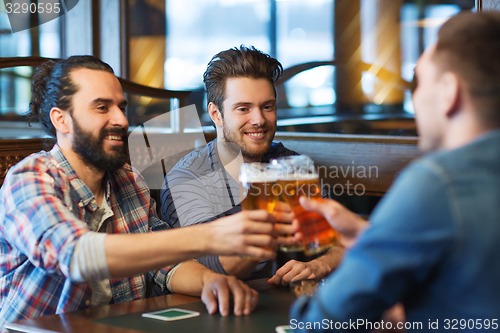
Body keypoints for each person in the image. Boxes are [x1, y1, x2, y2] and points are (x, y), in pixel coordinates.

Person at [0, 56, 293, 330]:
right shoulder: (30, 179)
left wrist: (210, 281)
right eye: (102, 108)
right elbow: (76, 255)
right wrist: (214, 234)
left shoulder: (128, 179)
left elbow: (165, 266)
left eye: (121, 107)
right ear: (60, 119)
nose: (121, 120)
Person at [289, 11, 500, 332]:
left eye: (420, 82)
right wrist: (371, 236)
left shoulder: (437, 182)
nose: (414, 99)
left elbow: (320, 323)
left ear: (448, 91)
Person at [160, 45, 343, 282]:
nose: (259, 120)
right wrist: (272, 218)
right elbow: (217, 265)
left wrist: (319, 265)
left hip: (289, 304)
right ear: (216, 114)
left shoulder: (290, 164)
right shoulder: (187, 180)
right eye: (243, 109)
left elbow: (341, 241)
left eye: (267, 107)